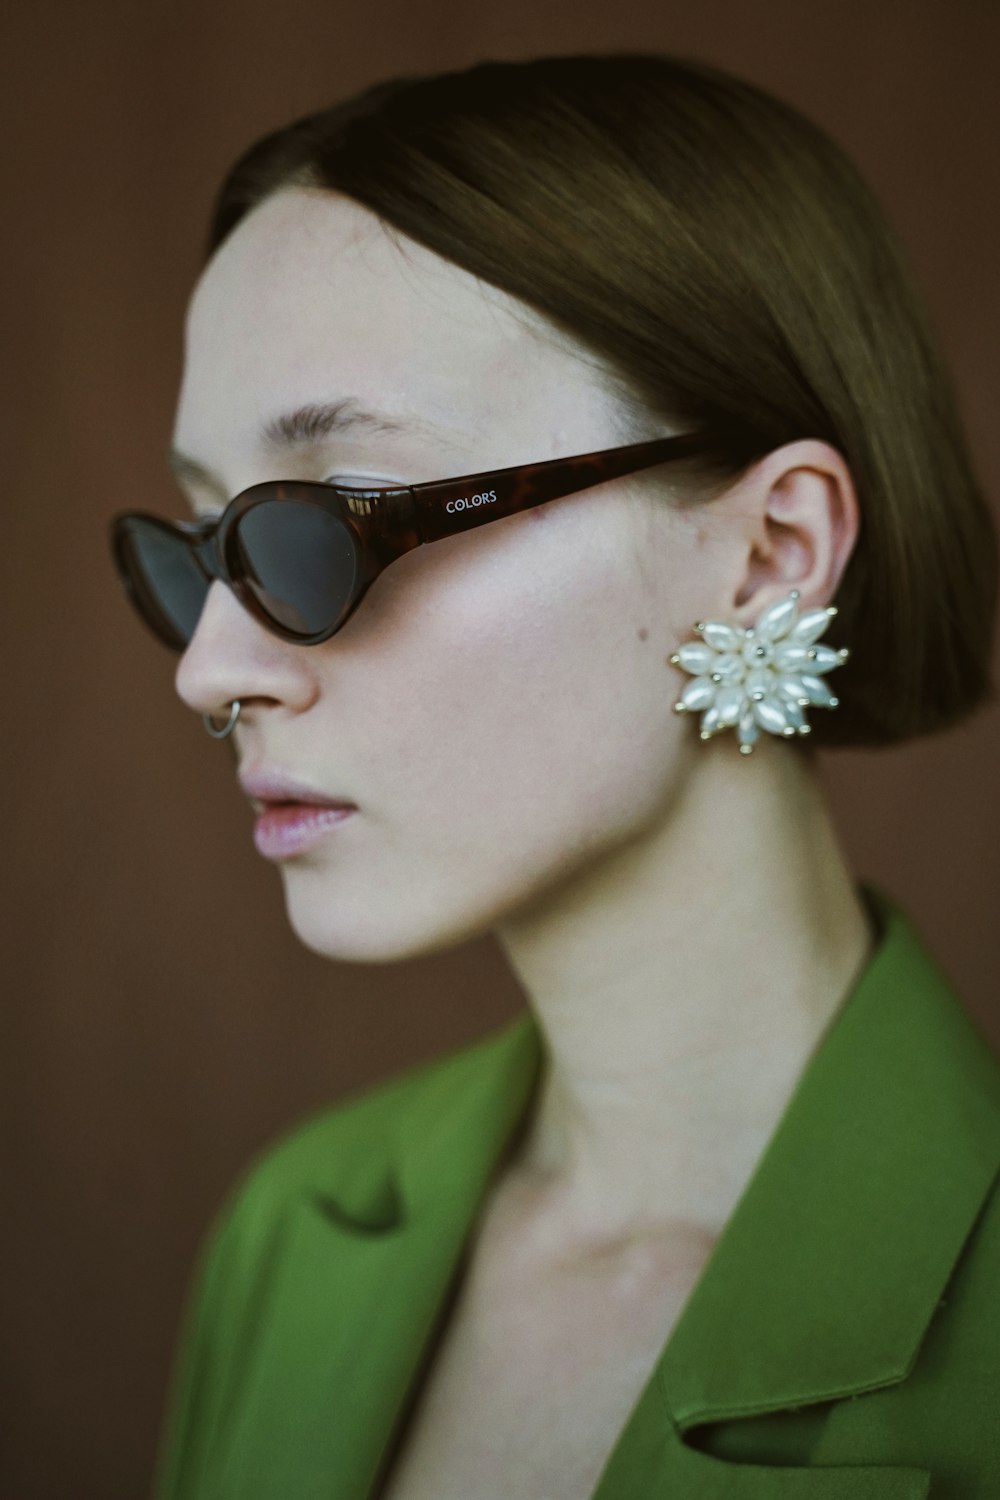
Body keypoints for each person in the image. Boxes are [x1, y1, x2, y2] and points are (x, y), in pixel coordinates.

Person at [108, 51, 1000, 1499]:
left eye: (320, 525)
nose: (210, 670)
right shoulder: (293, 1231)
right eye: (201, 543)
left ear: (769, 556)